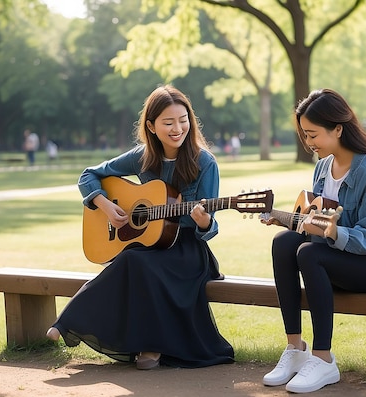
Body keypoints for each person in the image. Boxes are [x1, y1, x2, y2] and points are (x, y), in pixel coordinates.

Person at [46, 85, 234, 370]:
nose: (177, 128)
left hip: (187, 251)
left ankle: (77, 323)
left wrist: (203, 221)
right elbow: (89, 175)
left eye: (183, 120)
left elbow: (209, 228)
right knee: (134, 260)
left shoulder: (203, 161)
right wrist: (107, 206)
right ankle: (131, 340)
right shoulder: (143, 156)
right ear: (151, 126)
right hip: (152, 246)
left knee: (134, 261)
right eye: (168, 122)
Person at [260, 88, 366, 393]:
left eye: (313, 135)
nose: (308, 142)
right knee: (283, 242)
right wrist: (288, 220)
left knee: (309, 255)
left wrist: (331, 232)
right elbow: (317, 219)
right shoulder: (322, 167)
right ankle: (295, 349)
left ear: (338, 129)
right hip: (342, 256)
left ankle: (324, 358)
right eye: (304, 134)